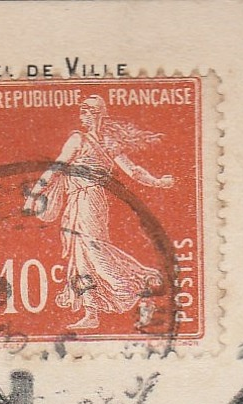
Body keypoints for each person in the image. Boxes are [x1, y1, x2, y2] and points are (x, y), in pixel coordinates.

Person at [24, 94, 175, 331]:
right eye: (83, 111)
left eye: (87, 111)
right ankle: (91, 311)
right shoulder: (79, 139)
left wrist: (158, 182)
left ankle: (139, 292)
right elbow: (56, 168)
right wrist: (34, 194)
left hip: (91, 200)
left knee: (95, 251)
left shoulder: (102, 142)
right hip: (76, 201)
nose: (83, 115)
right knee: (80, 256)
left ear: (95, 114)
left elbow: (132, 171)